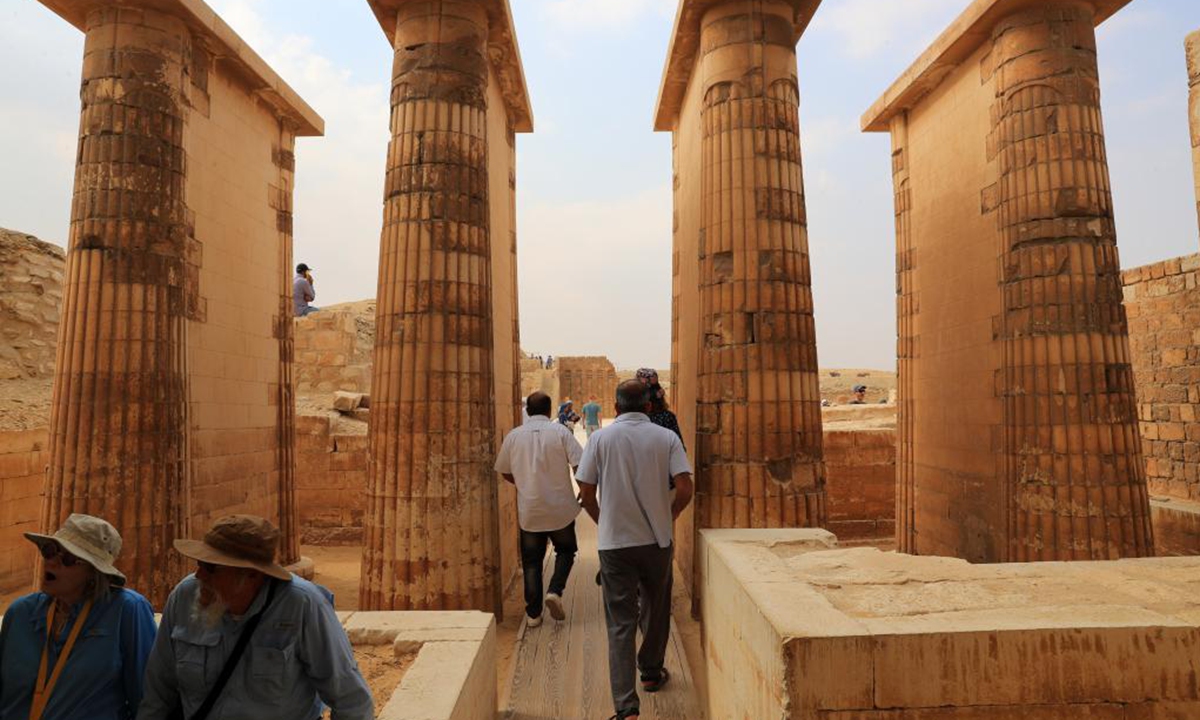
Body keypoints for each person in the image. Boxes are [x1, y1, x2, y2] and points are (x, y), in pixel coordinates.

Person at [138, 515, 373, 720]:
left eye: (211, 567)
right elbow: (159, 690)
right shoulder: (184, 596)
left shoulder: (302, 605)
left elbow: (351, 700)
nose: (198, 575)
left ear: (251, 574)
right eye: (199, 564)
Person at [577, 381, 694, 720]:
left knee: (620, 623)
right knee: (657, 610)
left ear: (615, 408)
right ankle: (651, 672)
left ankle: (626, 707)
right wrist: (668, 516)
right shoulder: (666, 437)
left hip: (616, 545)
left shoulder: (600, 439)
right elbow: (685, 486)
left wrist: (605, 523)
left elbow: (585, 493)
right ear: (647, 406)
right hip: (656, 541)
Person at [0, 513, 157, 720]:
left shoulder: (127, 611)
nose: (51, 563)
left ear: (93, 572)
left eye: (67, 558)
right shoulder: (20, 613)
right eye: (49, 551)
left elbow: (147, 700)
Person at [494, 392, 584, 627]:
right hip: (560, 507)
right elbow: (579, 464)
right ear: (549, 410)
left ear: (528, 410)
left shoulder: (514, 436)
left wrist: (524, 483)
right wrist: (584, 490)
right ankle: (555, 590)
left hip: (530, 509)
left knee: (532, 561)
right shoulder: (561, 432)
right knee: (565, 551)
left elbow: (503, 469)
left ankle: (533, 614)